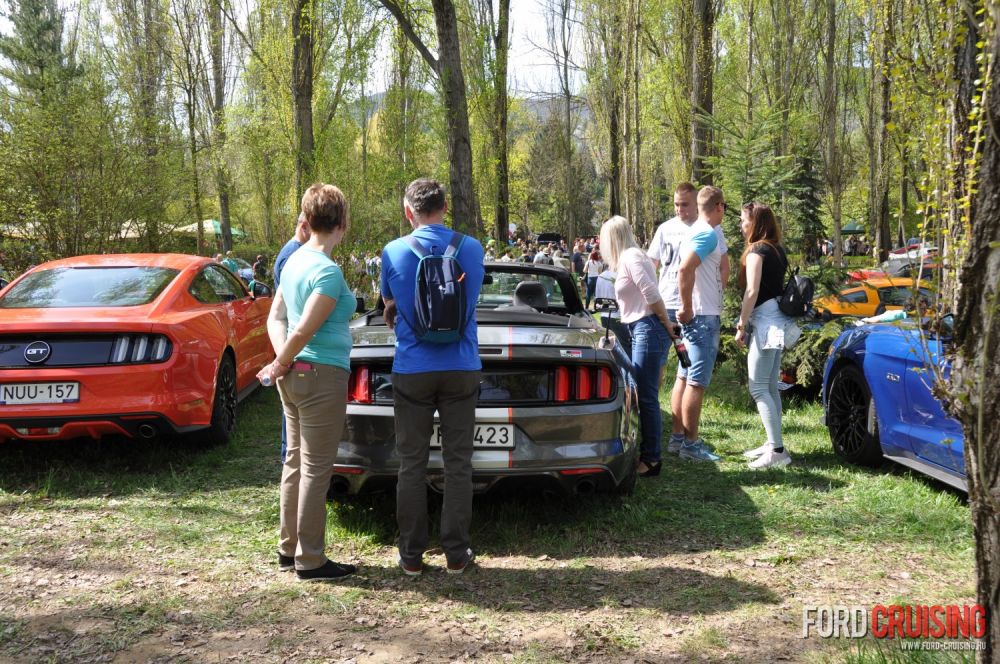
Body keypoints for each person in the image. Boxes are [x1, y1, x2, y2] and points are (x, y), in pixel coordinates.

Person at [381, 178, 485, 576]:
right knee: (459, 463)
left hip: (412, 370)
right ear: (445, 208)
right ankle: (457, 555)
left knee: (412, 463)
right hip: (461, 366)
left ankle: (410, 556)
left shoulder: (393, 251)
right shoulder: (471, 249)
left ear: (409, 212)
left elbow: (390, 307)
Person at [257, 183, 357, 582]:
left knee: (295, 462)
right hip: (322, 376)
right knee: (316, 469)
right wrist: (283, 360)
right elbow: (303, 330)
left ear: (307, 219)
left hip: (295, 378)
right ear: (342, 223)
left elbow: (276, 317)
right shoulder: (327, 272)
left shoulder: (295, 260)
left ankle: (288, 547)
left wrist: (282, 363)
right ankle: (311, 559)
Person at [600, 215, 675, 478]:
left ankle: (652, 458)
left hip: (648, 326)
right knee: (640, 392)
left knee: (646, 395)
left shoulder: (631, 257)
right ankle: (646, 451)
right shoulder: (630, 258)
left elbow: (652, 295)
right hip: (639, 327)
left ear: (612, 238)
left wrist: (666, 324)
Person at [734, 203, 801, 469]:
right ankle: (773, 442)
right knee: (770, 385)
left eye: (743, 220)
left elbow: (751, 292)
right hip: (777, 320)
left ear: (755, 223)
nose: (741, 225)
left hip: (764, 321)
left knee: (759, 387)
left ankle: (778, 451)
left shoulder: (756, 251)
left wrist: (741, 324)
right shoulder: (776, 250)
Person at [675, 185, 728, 462]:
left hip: (698, 316)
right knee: (696, 383)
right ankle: (690, 445)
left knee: (685, 378)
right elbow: (685, 269)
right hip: (702, 317)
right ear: (718, 206)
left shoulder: (694, 231)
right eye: (724, 208)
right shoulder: (707, 234)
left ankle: (681, 439)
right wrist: (686, 307)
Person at [647, 182, 698, 454]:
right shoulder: (665, 228)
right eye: (677, 204)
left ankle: (681, 431)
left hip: (692, 308)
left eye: (685, 204)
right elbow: (651, 263)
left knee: (688, 370)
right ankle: (652, 416)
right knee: (656, 365)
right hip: (664, 305)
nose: (680, 209)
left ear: (696, 202)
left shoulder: (704, 228)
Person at [272, 212, 312, 463]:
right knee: (294, 412)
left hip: (290, 341)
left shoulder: (294, 251)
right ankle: (290, 460)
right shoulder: (293, 255)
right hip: (290, 341)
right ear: (305, 227)